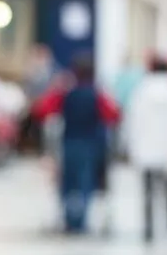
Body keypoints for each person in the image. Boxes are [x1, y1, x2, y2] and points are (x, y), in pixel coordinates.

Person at [33, 53, 120, 233]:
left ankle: (70, 219)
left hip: (69, 143)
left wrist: (56, 88)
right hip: (92, 145)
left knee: (68, 183)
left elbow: (41, 111)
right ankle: (81, 220)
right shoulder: (98, 95)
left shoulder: (66, 94)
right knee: (85, 183)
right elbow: (114, 116)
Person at [125, 56, 167, 243]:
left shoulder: (141, 90)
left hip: (146, 147)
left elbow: (132, 119)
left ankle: (149, 227)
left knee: (147, 190)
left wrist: (130, 144)